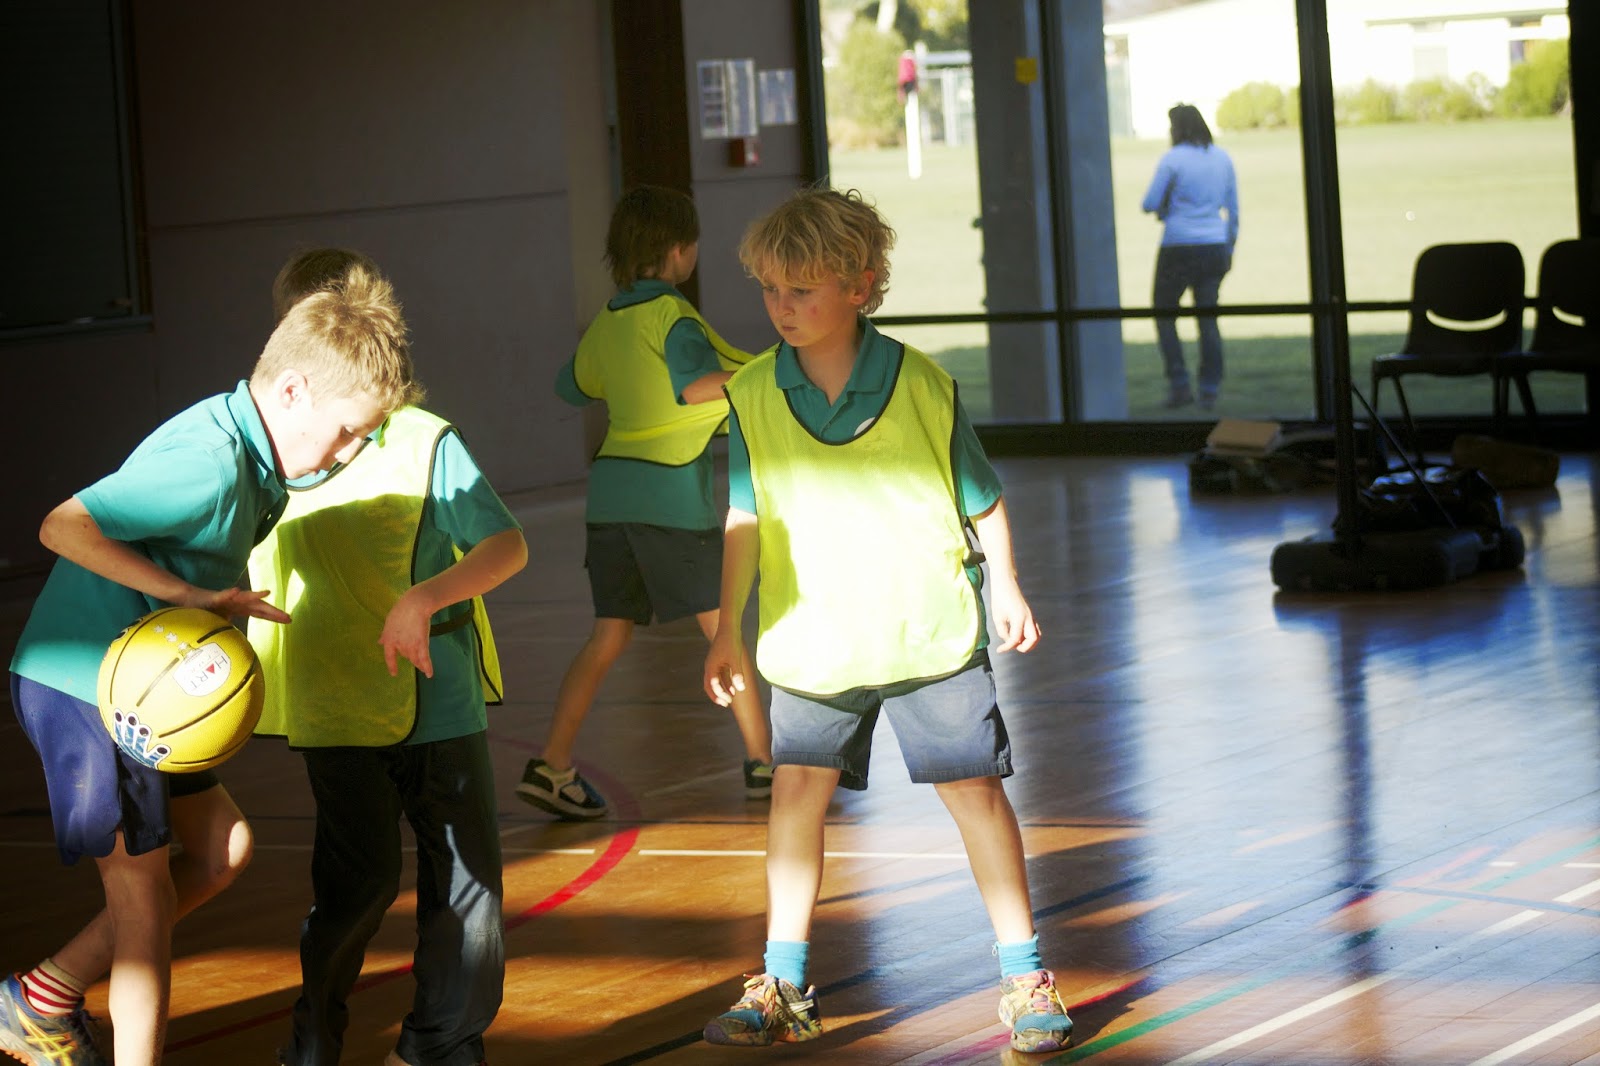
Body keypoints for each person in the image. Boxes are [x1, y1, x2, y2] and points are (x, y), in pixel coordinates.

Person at [4, 269, 415, 1066]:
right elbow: (63, 526)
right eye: (344, 432)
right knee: (143, 901)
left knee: (223, 849)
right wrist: (188, 595)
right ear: (291, 391)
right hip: (87, 685)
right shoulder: (212, 464)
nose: (348, 453)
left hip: (145, 687)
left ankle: (41, 997)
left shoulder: (259, 463)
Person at [699, 187, 1073, 1055]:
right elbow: (745, 514)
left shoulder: (922, 383)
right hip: (813, 639)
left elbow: (982, 498)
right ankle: (782, 983)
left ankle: (1025, 978)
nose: (781, 307)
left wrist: (1007, 585)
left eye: (802, 290)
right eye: (770, 290)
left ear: (860, 286)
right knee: (794, 795)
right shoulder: (750, 393)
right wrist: (726, 630)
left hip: (925, 630)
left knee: (973, 793)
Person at [250, 249, 528, 1066]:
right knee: (357, 887)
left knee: (466, 888)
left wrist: (424, 598)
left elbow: (506, 544)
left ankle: (443, 1045)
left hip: (436, 696)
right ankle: (314, 1039)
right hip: (334, 701)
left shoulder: (422, 440)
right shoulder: (263, 450)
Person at [515, 185, 773, 821]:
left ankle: (552, 764)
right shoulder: (673, 317)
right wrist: (767, 377)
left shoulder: (610, 320)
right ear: (680, 250)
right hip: (668, 501)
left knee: (607, 636)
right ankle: (764, 761)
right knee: (723, 628)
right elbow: (696, 388)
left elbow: (571, 385)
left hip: (609, 500)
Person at [1141, 103, 1240, 411]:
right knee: (1207, 318)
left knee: (1164, 314)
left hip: (1178, 246)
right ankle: (1210, 388)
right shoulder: (1222, 158)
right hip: (1214, 244)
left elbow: (1149, 203)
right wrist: (1229, 247)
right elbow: (1233, 211)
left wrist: (1168, 206)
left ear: (1178, 129)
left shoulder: (1173, 159)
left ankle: (1180, 384)